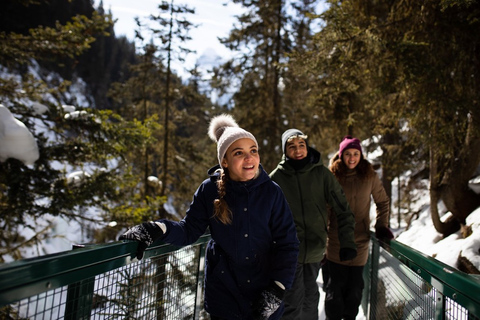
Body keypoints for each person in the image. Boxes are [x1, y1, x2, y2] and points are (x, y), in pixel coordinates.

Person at [119, 114, 299, 320]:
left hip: (264, 294)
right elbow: (189, 230)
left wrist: (277, 288)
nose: (249, 158)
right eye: (239, 153)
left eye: (253, 150)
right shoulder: (209, 190)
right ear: (225, 160)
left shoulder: (272, 192)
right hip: (224, 296)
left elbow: (288, 243)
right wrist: (157, 229)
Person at [269, 129, 357, 320]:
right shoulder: (276, 179)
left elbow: (342, 208)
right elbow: (264, 216)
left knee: (310, 298)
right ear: (285, 151)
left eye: (301, 145)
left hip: (316, 250)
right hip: (289, 252)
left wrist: (347, 242)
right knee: (292, 301)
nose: (298, 150)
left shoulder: (322, 174)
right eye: (292, 146)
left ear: (307, 147)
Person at [324, 135, 394, 320]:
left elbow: (382, 202)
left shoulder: (369, 176)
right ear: (341, 155)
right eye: (348, 154)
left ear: (361, 155)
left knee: (355, 289)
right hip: (335, 242)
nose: (352, 158)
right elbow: (325, 209)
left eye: (356, 153)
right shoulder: (332, 177)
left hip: (360, 242)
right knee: (334, 290)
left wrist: (381, 226)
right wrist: (322, 240)